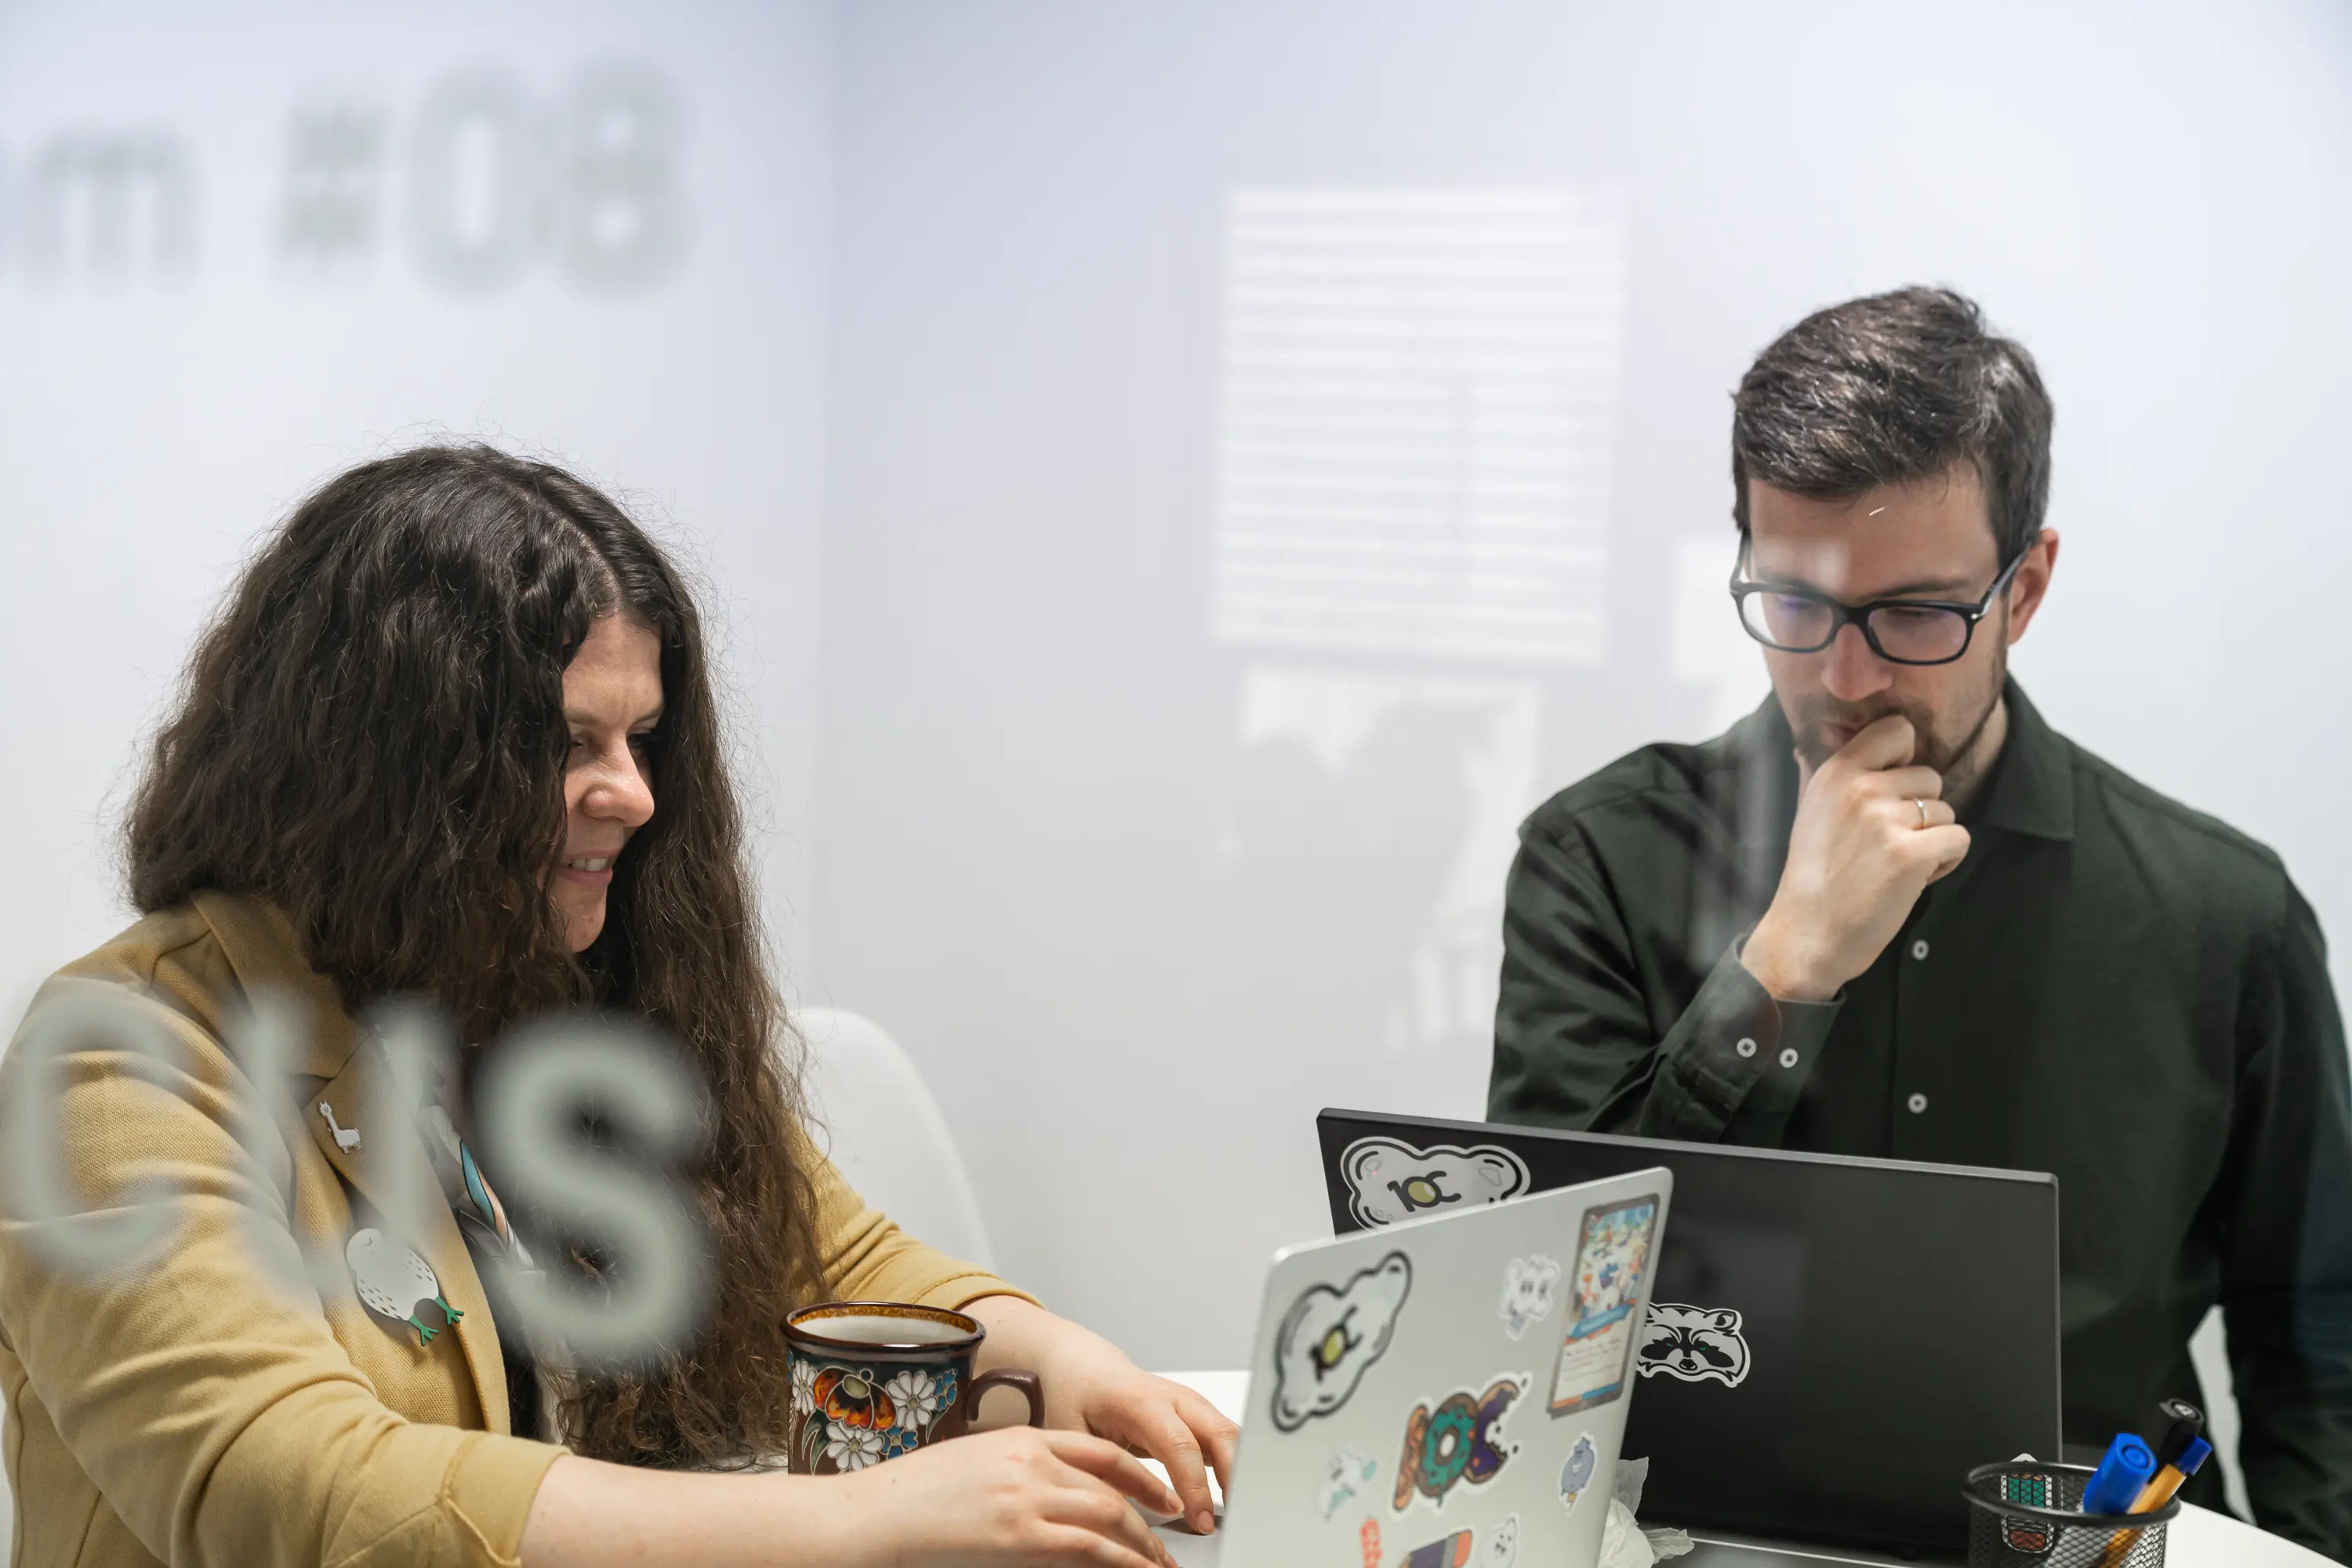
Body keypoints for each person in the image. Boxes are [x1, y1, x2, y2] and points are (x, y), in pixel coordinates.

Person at [0, 446, 1231, 1568]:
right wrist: (855, 1523)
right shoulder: (118, 1065)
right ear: (383, 770)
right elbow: (292, 1490)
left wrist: (1060, 1358)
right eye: (569, 744)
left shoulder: (542, 987)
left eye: (643, 739)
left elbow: (820, 1251)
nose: (634, 796)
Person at [1487, 288, 2352, 1560]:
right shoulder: (1596, 858)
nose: (1844, 679)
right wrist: (1781, 971)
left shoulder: (2227, 914)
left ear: (2028, 587)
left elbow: (2316, 1332)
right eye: (1793, 604)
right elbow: (1538, 1300)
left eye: (1914, 615)